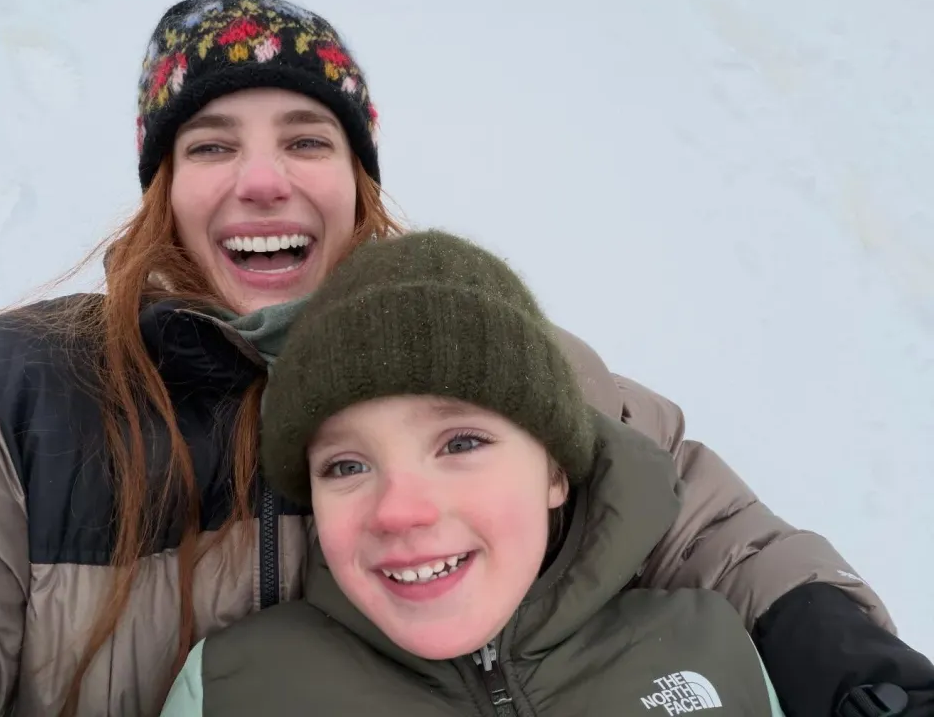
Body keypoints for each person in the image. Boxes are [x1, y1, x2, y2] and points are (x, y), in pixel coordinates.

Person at [0, 0, 928, 717]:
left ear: (358, 181)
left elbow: (692, 515)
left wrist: (829, 646)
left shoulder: (485, 350)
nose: (261, 179)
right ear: (162, 190)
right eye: (211, 144)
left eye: (307, 139)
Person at [160, 228, 790, 717]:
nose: (399, 510)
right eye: (346, 465)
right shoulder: (229, 690)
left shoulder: (714, 651)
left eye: (461, 443)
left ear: (556, 473)